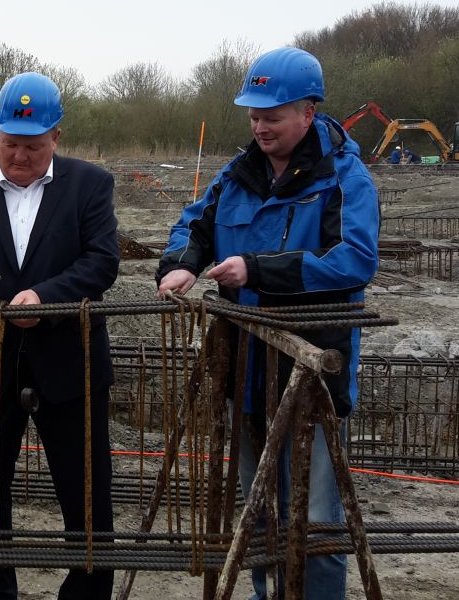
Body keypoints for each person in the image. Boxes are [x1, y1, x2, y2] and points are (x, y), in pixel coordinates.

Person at [156, 47, 380, 600]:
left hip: (313, 378)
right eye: (254, 117)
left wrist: (257, 269)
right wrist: (181, 265)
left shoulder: (343, 177)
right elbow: (193, 225)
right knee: (257, 512)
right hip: (247, 375)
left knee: (317, 520)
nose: (260, 128)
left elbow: (353, 259)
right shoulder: (238, 174)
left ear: (307, 112)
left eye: (272, 117)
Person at [0, 71, 120, 599]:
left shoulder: (90, 185)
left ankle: (85, 592)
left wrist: (45, 298)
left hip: (70, 363)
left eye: (33, 146)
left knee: (86, 494)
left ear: (56, 136)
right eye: (9, 143)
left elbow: (102, 262)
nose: (19, 156)